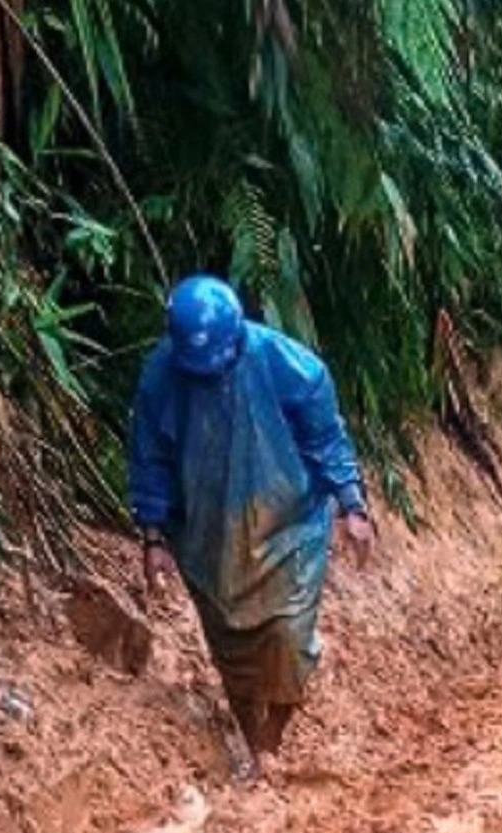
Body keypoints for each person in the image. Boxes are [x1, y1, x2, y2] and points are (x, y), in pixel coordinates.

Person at [128, 276, 375, 775]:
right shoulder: (160, 379)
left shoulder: (288, 365)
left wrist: (352, 504)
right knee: (230, 647)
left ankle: (269, 745)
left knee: (287, 636)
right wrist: (153, 534)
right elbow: (150, 457)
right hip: (206, 536)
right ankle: (252, 742)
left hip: (289, 529)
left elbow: (326, 439)